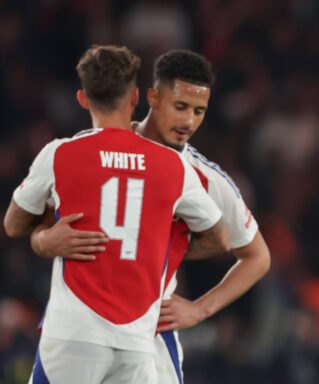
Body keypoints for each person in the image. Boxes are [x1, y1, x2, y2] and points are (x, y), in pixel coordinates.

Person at [28, 49, 271, 384]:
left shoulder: (206, 178)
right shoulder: (86, 147)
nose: (188, 121)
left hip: (146, 337)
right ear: (152, 97)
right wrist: (44, 240)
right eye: (180, 107)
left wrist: (200, 308)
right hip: (80, 327)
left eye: (199, 111)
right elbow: (36, 220)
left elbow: (257, 256)